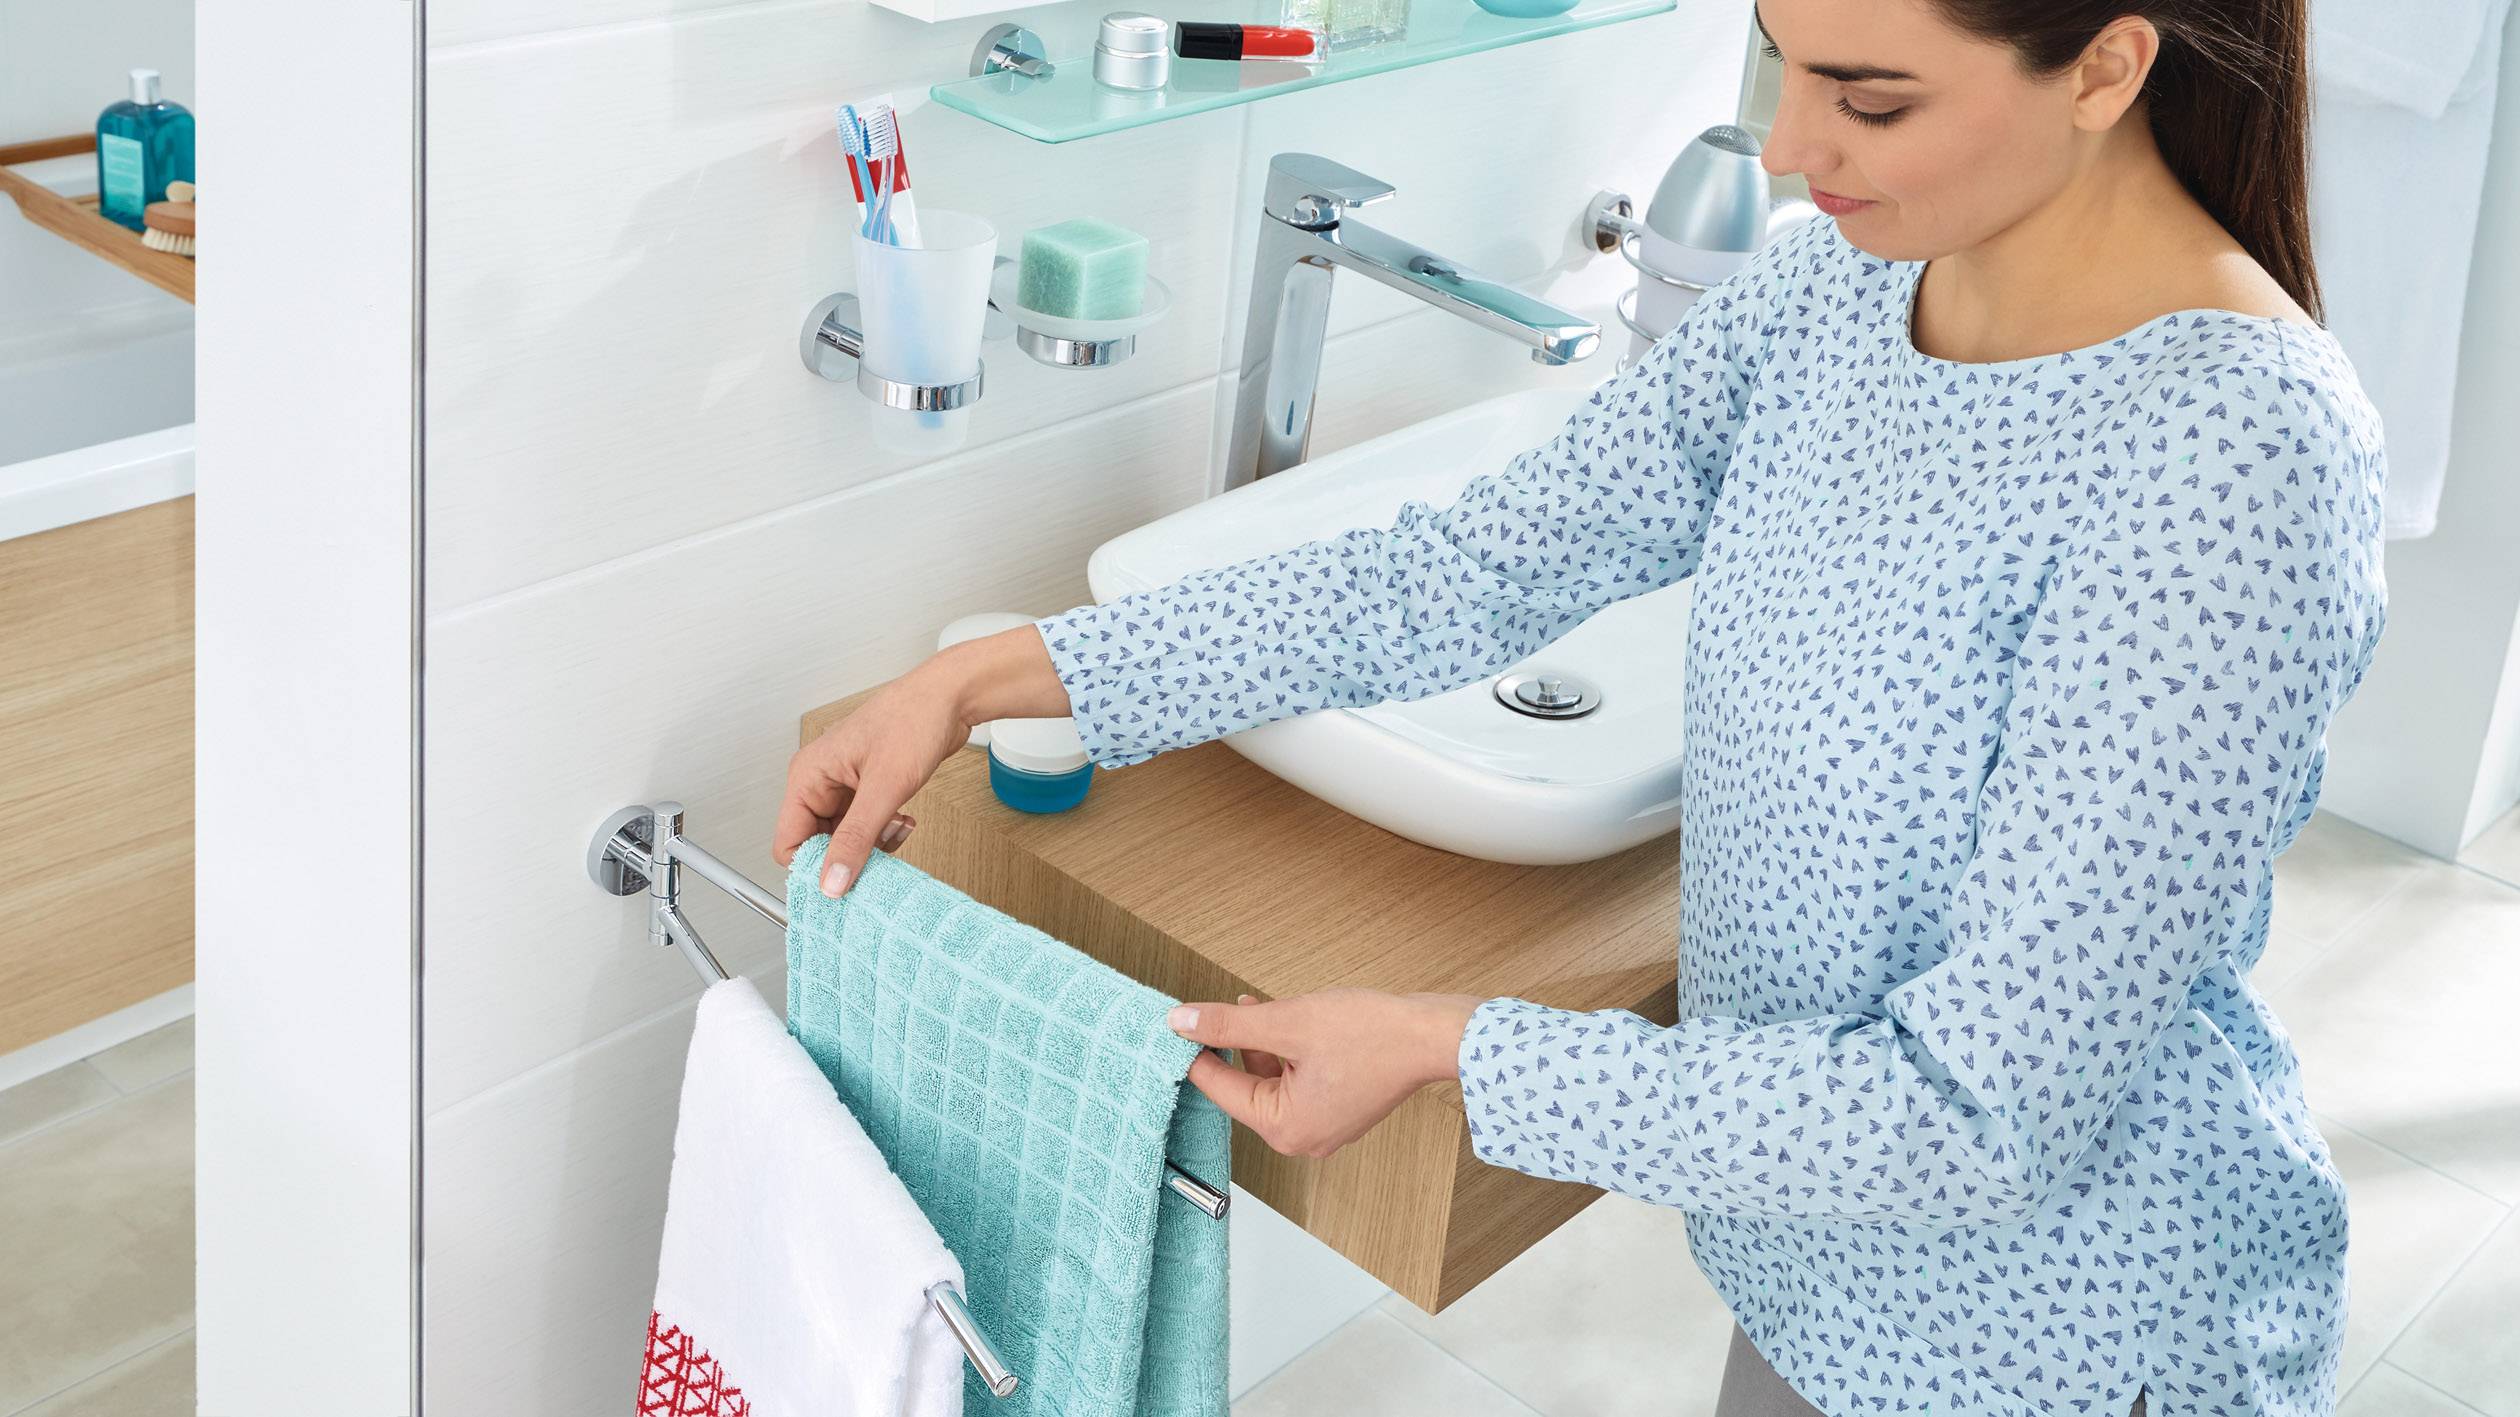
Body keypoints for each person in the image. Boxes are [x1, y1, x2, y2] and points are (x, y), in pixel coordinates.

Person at [774, 0, 2389, 1409]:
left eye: (1869, 95)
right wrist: (993, 678)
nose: (1790, 143)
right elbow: (1468, 569)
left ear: (2108, 67)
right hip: (1822, 1296)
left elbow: (1974, 1118)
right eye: (1782, 64)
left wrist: (1449, 1048)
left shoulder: (2232, 457)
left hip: (2063, 1344)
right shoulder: (1830, 292)